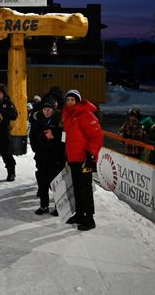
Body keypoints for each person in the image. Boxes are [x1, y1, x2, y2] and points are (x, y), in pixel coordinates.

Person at [62, 89, 103, 231]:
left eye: (72, 100)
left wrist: (91, 154)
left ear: (78, 101)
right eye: (68, 100)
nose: (69, 102)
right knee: (77, 188)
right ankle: (79, 214)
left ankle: (89, 219)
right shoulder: (68, 116)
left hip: (85, 159)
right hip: (74, 158)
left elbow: (97, 136)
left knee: (85, 189)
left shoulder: (86, 115)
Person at [29, 99, 65, 215]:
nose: (47, 112)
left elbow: (63, 139)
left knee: (55, 182)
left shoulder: (59, 120)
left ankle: (58, 206)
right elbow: (33, 136)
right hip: (41, 156)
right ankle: (43, 206)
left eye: (49, 109)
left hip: (55, 157)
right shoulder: (38, 119)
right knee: (42, 181)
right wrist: (36, 149)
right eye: (45, 109)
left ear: (53, 110)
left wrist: (53, 137)